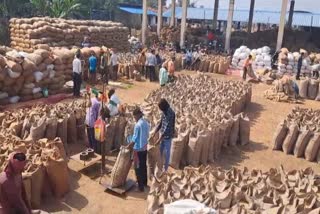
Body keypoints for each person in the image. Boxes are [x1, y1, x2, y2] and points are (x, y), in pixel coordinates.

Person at [128, 108, 150, 192]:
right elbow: (148, 134)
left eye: (134, 117)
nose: (134, 118)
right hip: (144, 147)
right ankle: (144, 183)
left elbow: (134, 139)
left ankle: (140, 187)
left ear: (138, 115)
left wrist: (128, 146)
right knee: (143, 166)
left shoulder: (137, 125)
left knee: (137, 167)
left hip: (137, 149)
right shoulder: (146, 123)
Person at [153, 99, 175, 172]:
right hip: (162, 134)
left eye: (161, 108)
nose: (160, 110)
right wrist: (155, 131)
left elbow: (167, 128)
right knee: (160, 151)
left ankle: (165, 169)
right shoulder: (164, 112)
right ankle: (159, 166)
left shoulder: (170, 113)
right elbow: (161, 123)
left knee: (167, 153)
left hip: (168, 136)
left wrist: (159, 140)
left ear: (164, 106)